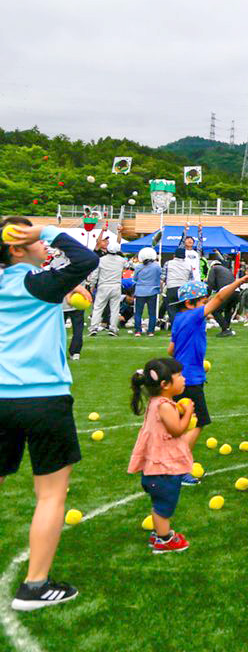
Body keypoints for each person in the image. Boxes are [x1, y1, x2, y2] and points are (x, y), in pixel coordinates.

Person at [0, 217, 98, 611]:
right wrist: (46, 231)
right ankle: (35, 586)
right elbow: (85, 258)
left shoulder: (29, 283)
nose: (45, 247)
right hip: (44, 399)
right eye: (33, 239)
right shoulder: (37, 283)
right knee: (51, 495)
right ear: (17, 247)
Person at [166, 269, 248, 474]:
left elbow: (170, 349)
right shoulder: (193, 316)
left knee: (184, 423)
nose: (206, 306)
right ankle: (179, 467)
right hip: (190, 380)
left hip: (178, 378)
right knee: (199, 422)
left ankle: (171, 460)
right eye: (202, 301)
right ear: (190, 303)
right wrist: (238, 281)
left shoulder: (179, 319)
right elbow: (220, 297)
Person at [128, 357, 200, 553]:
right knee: (164, 505)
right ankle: (164, 539)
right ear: (165, 384)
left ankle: (160, 533)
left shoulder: (158, 402)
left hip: (156, 465)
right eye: (179, 376)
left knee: (161, 502)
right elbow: (177, 430)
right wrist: (188, 413)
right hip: (163, 468)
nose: (184, 379)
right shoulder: (165, 405)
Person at [87, 233, 124, 337]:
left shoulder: (101, 260)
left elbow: (95, 274)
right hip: (116, 286)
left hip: (103, 286)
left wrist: (92, 285)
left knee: (98, 307)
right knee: (115, 309)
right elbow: (127, 266)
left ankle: (93, 327)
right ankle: (113, 328)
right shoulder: (121, 261)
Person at [161, 246, 195, 329]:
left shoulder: (168, 263)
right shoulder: (189, 265)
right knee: (183, 309)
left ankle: (175, 328)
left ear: (174, 255)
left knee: (172, 310)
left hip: (172, 288)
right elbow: (191, 279)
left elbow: (162, 277)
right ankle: (184, 327)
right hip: (184, 289)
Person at [205, 251, 236, 337]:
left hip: (226, 291)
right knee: (228, 310)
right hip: (236, 291)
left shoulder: (214, 269)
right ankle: (227, 328)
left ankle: (225, 329)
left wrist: (206, 296)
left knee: (215, 310)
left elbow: (210, 283)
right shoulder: (227, 270)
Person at [132, 248, 161, 337]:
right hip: (153, 291)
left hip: (140, 291)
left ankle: (138, 331)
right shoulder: (157, 266)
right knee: (152, 313)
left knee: (138, 312)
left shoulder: (138, 267)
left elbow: (135, 279)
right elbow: (161, 276)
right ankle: (151, 331)